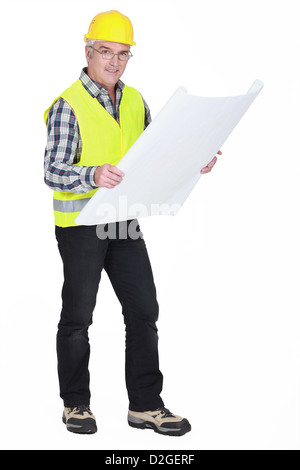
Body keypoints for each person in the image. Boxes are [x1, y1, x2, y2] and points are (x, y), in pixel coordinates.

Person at [44, 10, 219, 436]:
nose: (114, 61)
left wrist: (194, 161)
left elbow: (158, 151)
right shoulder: (69, 105)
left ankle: (145, 406)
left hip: (122, 222)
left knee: (143, 312)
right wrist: (92, 174)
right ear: (88, 52)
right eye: (106, 51)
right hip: (81, 225)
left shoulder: (136, 99)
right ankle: (76, 405)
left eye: (123, 54)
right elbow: (52, 170)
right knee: (78, 318)